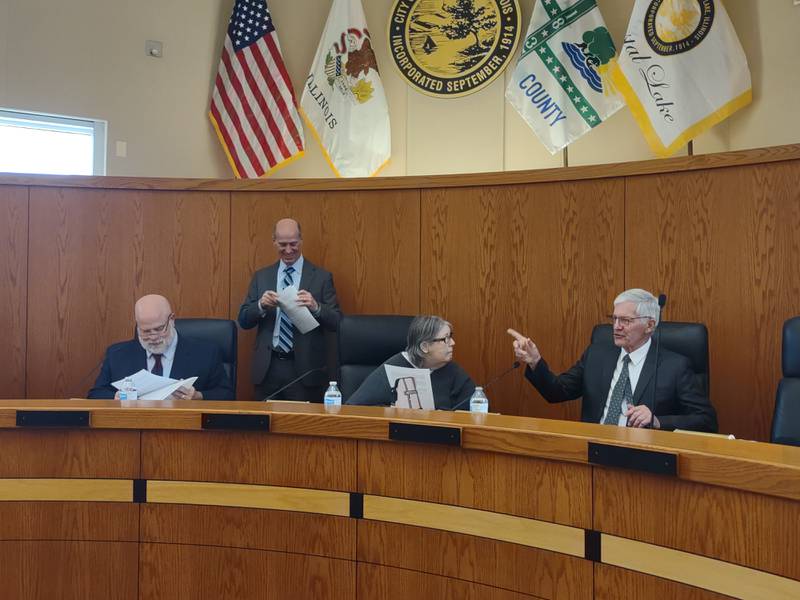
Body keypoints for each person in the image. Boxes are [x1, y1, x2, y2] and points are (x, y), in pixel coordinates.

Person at [508, 288, 718, 432]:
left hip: (643, 458)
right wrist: (535, 361)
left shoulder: (674, 366)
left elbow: (706, 420)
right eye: (614, 318)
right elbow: (557, 392)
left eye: (625, 320)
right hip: (593, 451)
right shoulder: (597, 355)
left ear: (650, 325)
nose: (616, 326)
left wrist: (657, 421)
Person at [238, 218, 341, 401]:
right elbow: (244, 320)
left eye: (293, 244)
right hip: (268, 368)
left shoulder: (321, 277)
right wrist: (260, 305)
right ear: (274, 242)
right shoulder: (261, 277)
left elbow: (337, 322)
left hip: (304, 369)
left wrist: (316, 307)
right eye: (282, 244)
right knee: (263, 426)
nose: (288, 250)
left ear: (301, 241)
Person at [88, 294, 234, 400]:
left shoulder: (206, 353)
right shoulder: (117, 355)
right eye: (145, 331)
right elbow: (95, 394)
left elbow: (226, 395)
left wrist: (198, 396)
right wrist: (116, 396)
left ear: (172, 320)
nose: (153, 337)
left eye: (158, 329)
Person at [347, 315, 475, 410]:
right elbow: (353, 407)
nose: (452, 343)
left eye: (451, 336)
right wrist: (391, 411)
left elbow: (479, 409)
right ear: (425, 347)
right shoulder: (394, 366)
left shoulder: (452, 370)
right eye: (445, 339)